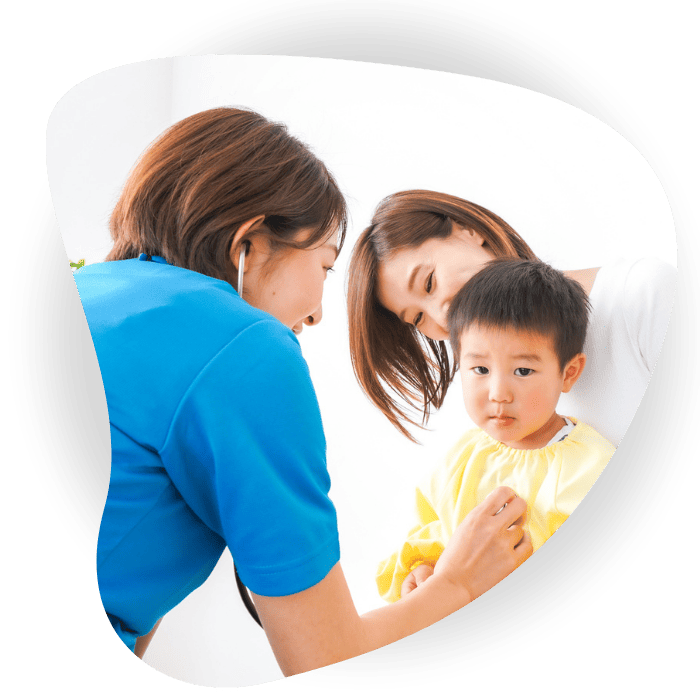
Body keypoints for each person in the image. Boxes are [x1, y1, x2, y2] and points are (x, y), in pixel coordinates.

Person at [73, 108, 532, 677]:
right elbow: (326, 658)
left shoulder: (90, 287)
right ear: (249, 243)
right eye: (325, 264)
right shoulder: (244, 345)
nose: (316, 314)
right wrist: (458, 583)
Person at [347, 190, 676, 447]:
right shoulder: (494, 404)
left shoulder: (640, 295)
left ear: (469, 232)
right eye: (418, 318)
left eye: (429, 282)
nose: (441, 314)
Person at [376, 259, 615, 602]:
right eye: (480, 369)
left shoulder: (587, 466)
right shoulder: (464, 457)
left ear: (568, 373)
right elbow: (432, 531)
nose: (498, 393)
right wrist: (423, 568)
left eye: (522, 371)